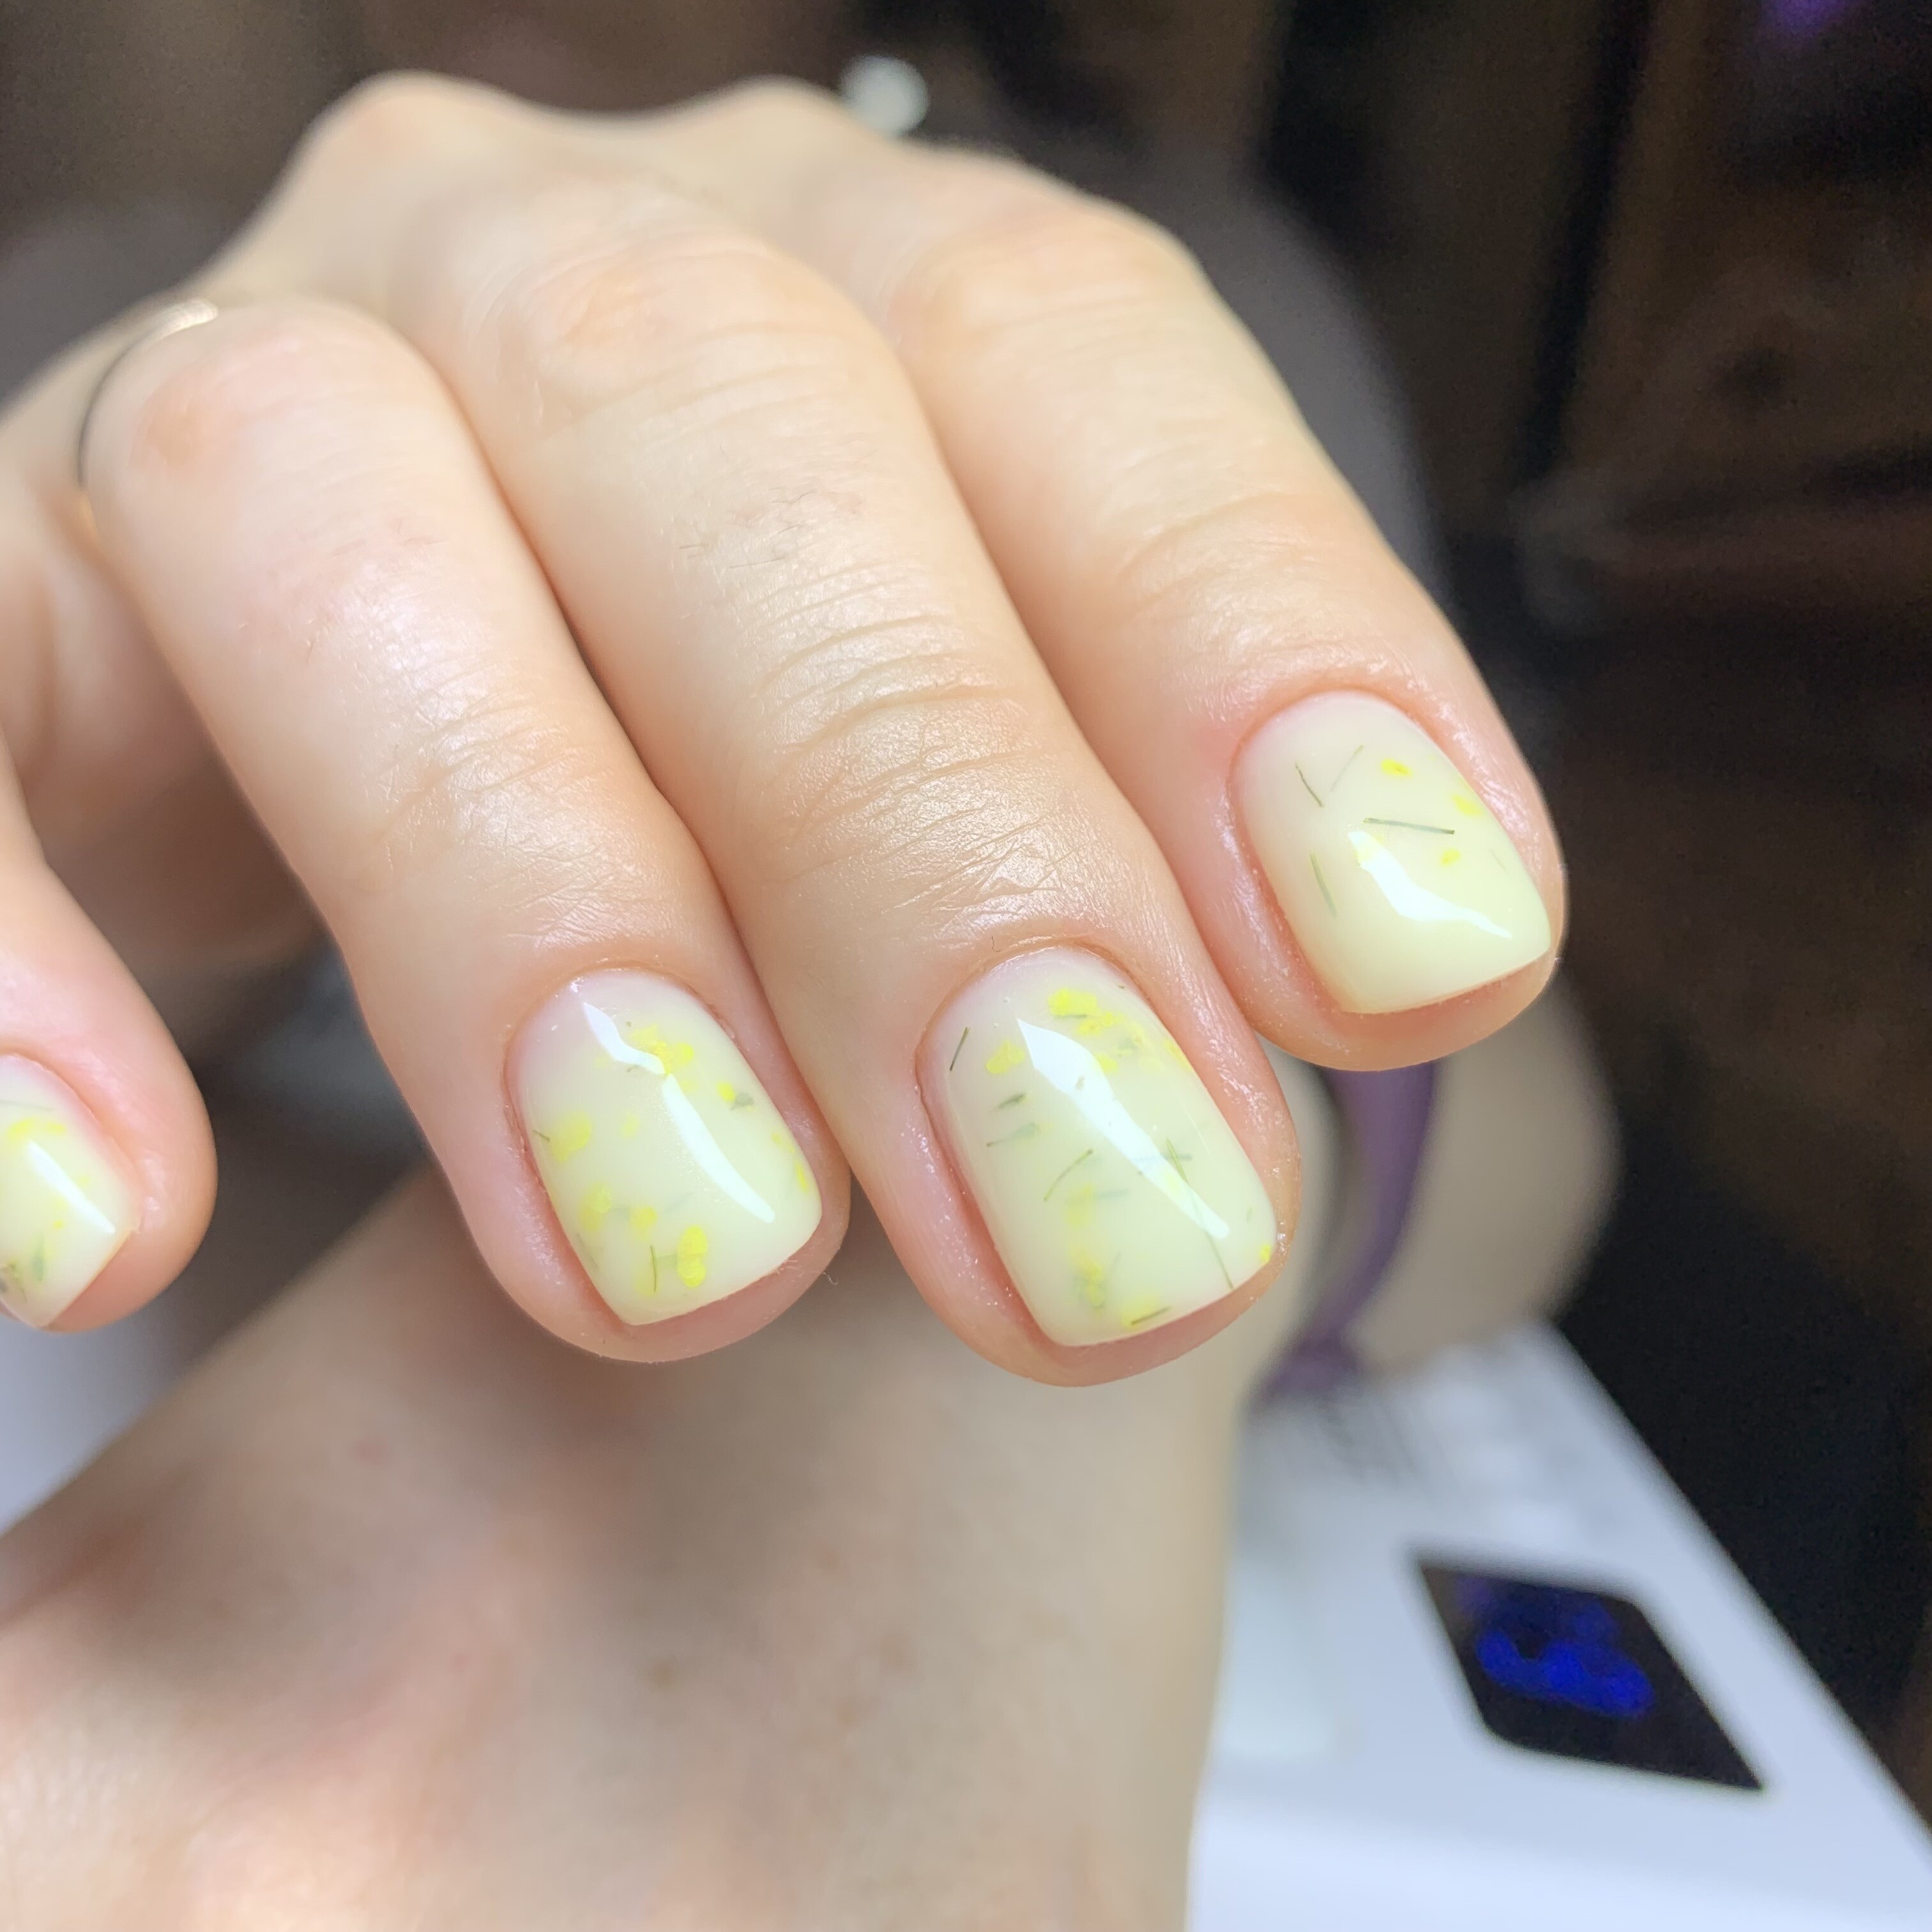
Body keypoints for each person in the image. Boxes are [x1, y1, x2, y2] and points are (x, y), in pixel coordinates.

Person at [0, 68, 1597, 1924]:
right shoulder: (106, 291)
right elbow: (107, 1063)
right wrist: (131, 907)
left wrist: (977, 1351)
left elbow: (1524, 1105)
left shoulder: (1189, 252)